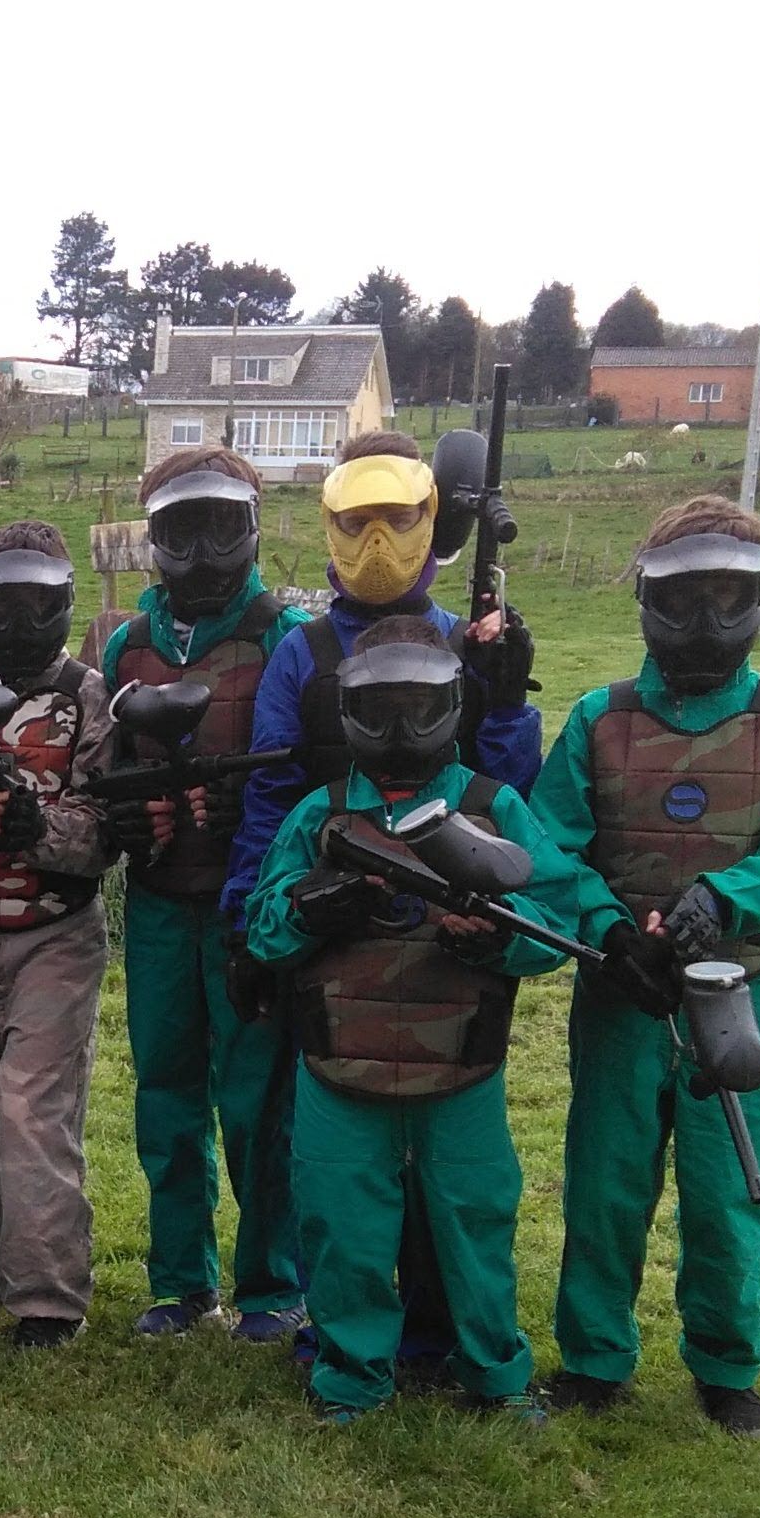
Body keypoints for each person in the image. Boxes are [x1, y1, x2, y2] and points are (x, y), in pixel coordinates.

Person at [223, 429, 541, 1374]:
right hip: (333, 911)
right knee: (334, 1153)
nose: (375, 542)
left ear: (427, 519)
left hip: (447, 949)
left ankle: (449, 1336)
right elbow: (274, 797)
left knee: (456, 1168)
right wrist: (261, 923)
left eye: (395, 521)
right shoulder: (304, 651)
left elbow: (510, 804)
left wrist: (510, 698)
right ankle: (332, 1325)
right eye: (356, 523)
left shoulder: (466, 648)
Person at [532, 495, 760, 1436]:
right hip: (623, 990)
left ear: (754, 601)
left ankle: (726, 1364)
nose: (706, 623)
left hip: (737, 993)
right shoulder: (600, 718)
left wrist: (729, 899)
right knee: (605, 1176)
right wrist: (609, 926)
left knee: (724, 1186)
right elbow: (551, 844)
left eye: (728, 598)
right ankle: (594, 1358)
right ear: (648, 602)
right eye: (684, 599)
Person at [246, 617, 583, 1423]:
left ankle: (496, 1379)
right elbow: (262, 926)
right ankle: (351, 1379)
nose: (401, 728)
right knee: (342, 1225)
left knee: (474, 1223)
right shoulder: (319, 818)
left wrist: (497, 937)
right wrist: (312, 910)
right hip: (340, 1062)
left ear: (452, 705)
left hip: (460, 1062)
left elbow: (557, 915)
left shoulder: (492, 807)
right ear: (351, 711)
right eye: (381, 708)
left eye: (418, 706)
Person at [100, 450, 309, 1339]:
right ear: (155, 537)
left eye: (220, 525)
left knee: (258, 1097)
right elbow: (105, 764)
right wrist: (132, 816)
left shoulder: (281, 635)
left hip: (248, 902)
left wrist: (250, 802)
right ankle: (182, 1280)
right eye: (180, 529)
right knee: (167, 1091)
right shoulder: (127, 644)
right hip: (155, 898)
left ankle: (270, 1283)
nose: (200, 548)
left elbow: (310, 773)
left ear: (252, 525)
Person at [0, 521, 113, 1346]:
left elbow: (103, 829)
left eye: (32, 604)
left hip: (55, 932)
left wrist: (28, 825)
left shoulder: (89, 697)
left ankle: (48, 1297)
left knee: (34, 1110)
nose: (15, 621)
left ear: (60, 604)